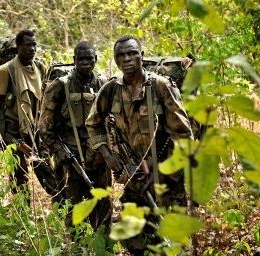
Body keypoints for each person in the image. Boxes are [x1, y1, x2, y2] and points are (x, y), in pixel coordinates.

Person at [86, 35, 193, 255]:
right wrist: (109, 156)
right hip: (133, 177)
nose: (127, 59)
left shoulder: (161, 86)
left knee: (174, 240)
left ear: (142, 56)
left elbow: (182, 134)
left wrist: (156, 167)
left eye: (132, 53)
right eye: (121, 55)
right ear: (115, 60)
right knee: (134, 239)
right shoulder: (110, 90)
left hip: (166, 180)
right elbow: (93, 123)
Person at [38, 41, 112, 233]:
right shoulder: (59, 86)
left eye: (90, 58)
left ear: (96, 59)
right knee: (74, 209)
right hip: (70, 157)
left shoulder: (104, 85)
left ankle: (103, 245)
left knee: (103, 205)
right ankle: (78, 246)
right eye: (81, 59)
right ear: (74, 60)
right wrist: (59, 151)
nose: (86, 62)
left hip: (98, 155)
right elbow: (45, 126)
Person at [0, 29, 54, 198]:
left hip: (36, 131)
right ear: (18, 47)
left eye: (34, 45)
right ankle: (24, 219)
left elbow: (45, 98)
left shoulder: (40, 67)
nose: (32, 49)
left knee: (48, 173)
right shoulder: (5, 71)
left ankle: (65, 215)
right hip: (13, 133)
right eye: (27, 45)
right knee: (19, 178)